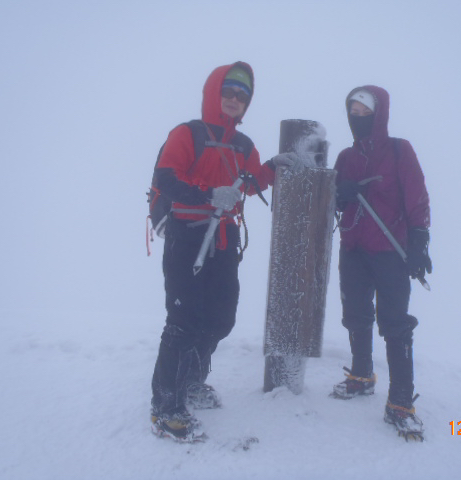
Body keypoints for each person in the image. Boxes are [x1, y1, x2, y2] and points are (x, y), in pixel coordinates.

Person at [148, 61, 299, 442]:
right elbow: (166, 177)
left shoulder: (243, 145)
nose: (234, 100)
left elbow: (247, 183)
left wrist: (271, 169)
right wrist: (209, 195)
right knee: (182, 321)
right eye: (228, 92)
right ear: (214, 93)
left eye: (242, 95)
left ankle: (194, 382)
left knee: (220, 318)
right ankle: (166, 405)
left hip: (225, 238)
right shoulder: (187, 133)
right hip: (188, 233)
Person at [332, 86, 431, 439]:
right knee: (355, 313)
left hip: (390, 251)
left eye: (365, 111)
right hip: (353, 248)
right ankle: (361, 376)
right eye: (353, 112)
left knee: (395, 323)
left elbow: (417, 196)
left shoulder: (399, 150)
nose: (358, 118)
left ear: (379, 114)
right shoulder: (345, 156)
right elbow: (332, 202)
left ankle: (401, 403)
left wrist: (420, 241)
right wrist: (338, 194)